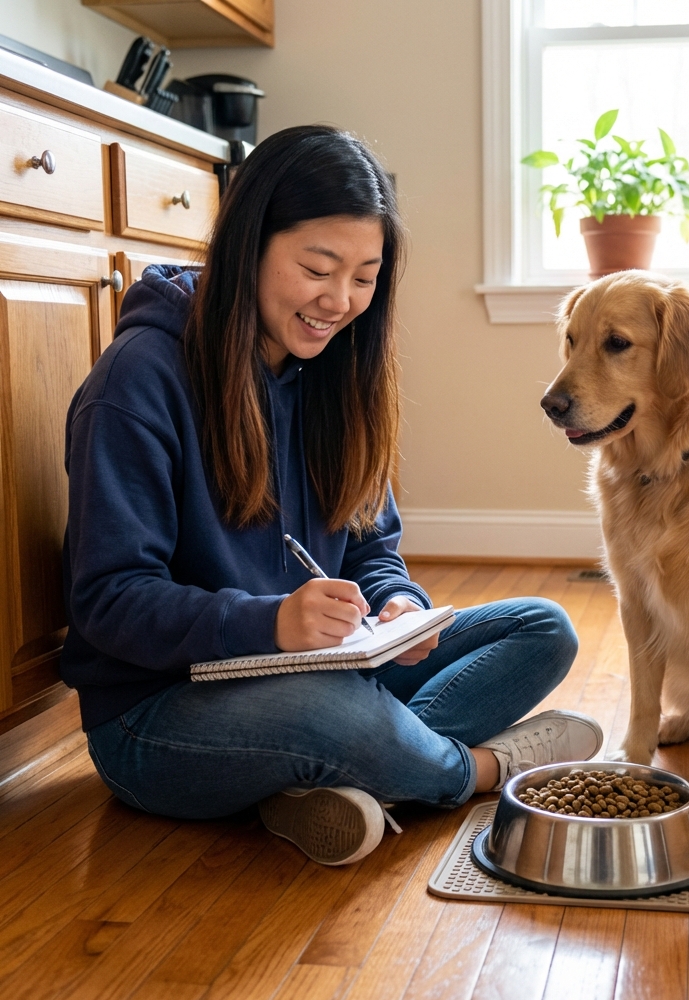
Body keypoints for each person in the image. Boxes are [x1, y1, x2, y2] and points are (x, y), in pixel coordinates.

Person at [63, 125, 601, 866]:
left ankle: (320, 780)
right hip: (156, 715)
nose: (340, 301)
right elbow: (108, 601)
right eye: (317, 267)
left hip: (316, 671)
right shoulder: (140, 379)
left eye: (364, 276)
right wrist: (271, 622)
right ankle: (475, 771)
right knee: (333, 711)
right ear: (250, 244)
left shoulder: (337, 369)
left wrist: (398, 606)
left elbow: (370, 542)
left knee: (543, 627)